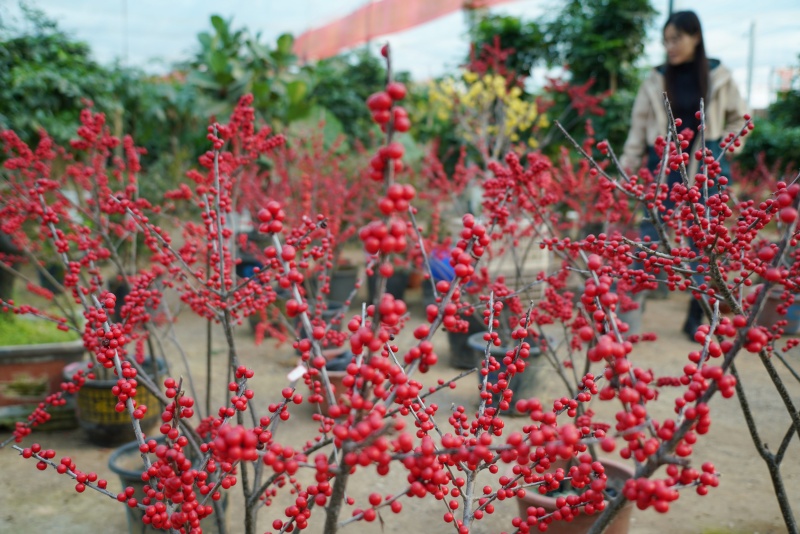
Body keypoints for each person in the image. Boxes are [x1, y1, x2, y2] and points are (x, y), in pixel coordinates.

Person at [620, 10, 748, 339]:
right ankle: (628, 314)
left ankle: (697, 314)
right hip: (662, 165)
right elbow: (638, 126)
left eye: (676, 39)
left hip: (706, 167)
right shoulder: (656, 78)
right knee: (649, 237)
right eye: (666, 41)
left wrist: (723, 147)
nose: (670, 47)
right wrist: (627, 166)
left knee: (703, 242)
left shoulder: (719, 75)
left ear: (696, 37)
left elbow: (740, 118)